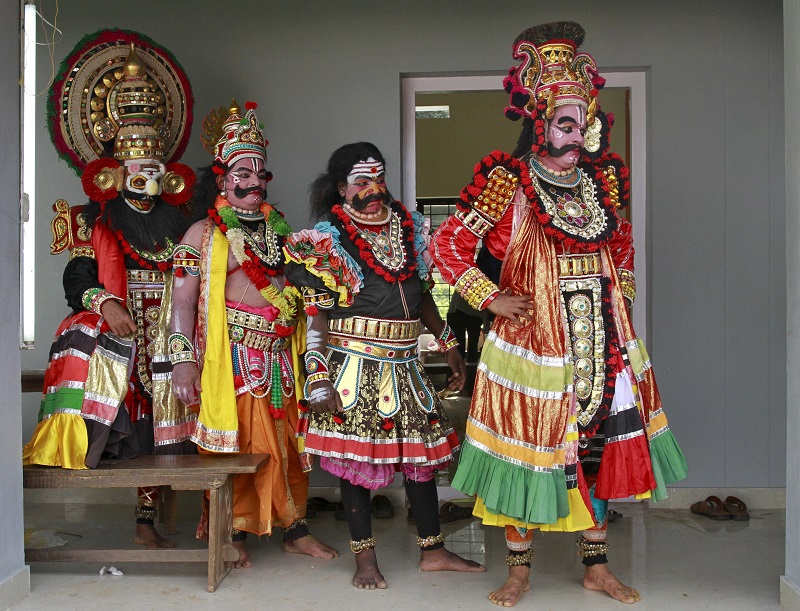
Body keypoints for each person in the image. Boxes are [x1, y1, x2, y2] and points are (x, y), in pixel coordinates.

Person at [432, 22, 688, 607]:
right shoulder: (510, 183)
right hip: (532, 345)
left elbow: (619, 247)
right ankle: (519, 572)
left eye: (586, 122)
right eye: (566, 123)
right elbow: (448, 243)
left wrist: (619, 298)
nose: (579, 135)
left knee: (598, 453)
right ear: (540, 122)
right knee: (528, 456)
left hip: (601, 341)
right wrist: (487, 295)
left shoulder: (601, 185)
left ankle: (596, 566)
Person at [284, 142, 484, 589]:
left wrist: (448, 341)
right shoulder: (325, 238)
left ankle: (432, 550)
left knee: (420, 462)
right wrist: (317, 378)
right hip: (353, 365)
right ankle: (366, 560)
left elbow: (420, 294)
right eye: (361, 182)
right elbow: (315, 314)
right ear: (341, 189)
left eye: (378, 179)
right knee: (355, 465)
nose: (373, 190)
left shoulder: (407, 228)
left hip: (407, 365)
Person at [23, 38, 198, 549]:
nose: (151, 175)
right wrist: (108, 302)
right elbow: (77, 279)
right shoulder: (96, 220)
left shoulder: (180, 222)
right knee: (127, 413)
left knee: (164, 418)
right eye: (140, 169)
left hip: (171, 328)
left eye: (157, 169)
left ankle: (151, 519)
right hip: (122, 330)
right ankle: (134, 515)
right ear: (116, 173)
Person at [169, 100, 338, 568]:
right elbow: (182, 301)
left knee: (286, 443)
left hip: (281, 352)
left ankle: (295, 529)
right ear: (221, 178)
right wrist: (183, 359)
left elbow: (304, 291)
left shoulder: (282, 234)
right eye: (242, 172)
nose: (253, 182)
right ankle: (232, 531)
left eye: (260, 174)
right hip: (234, 356)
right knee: (238, 444)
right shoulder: (200, 233)